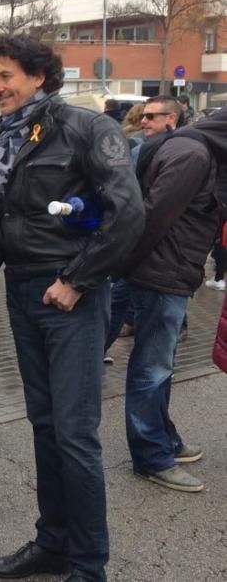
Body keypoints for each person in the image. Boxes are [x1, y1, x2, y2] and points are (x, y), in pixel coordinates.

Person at [0, 35, 144, 582]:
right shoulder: (2, 136)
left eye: (6, 76)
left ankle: (88, 565)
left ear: (38, 76)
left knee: (75, 435)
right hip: (22, 293)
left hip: (70, 296)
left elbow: (128, 214)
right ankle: (52, 544)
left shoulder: (86, 128)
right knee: (45, 425)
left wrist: (76, 280)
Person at [107, 95, 220, 493]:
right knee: (151, 367)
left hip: (167, 271)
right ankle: (151, 455)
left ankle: (164, 438)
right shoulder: (192, 155)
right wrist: (124, 264)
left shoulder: (195, 148)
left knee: (161, 364)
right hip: (161, 274)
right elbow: (152, 216)